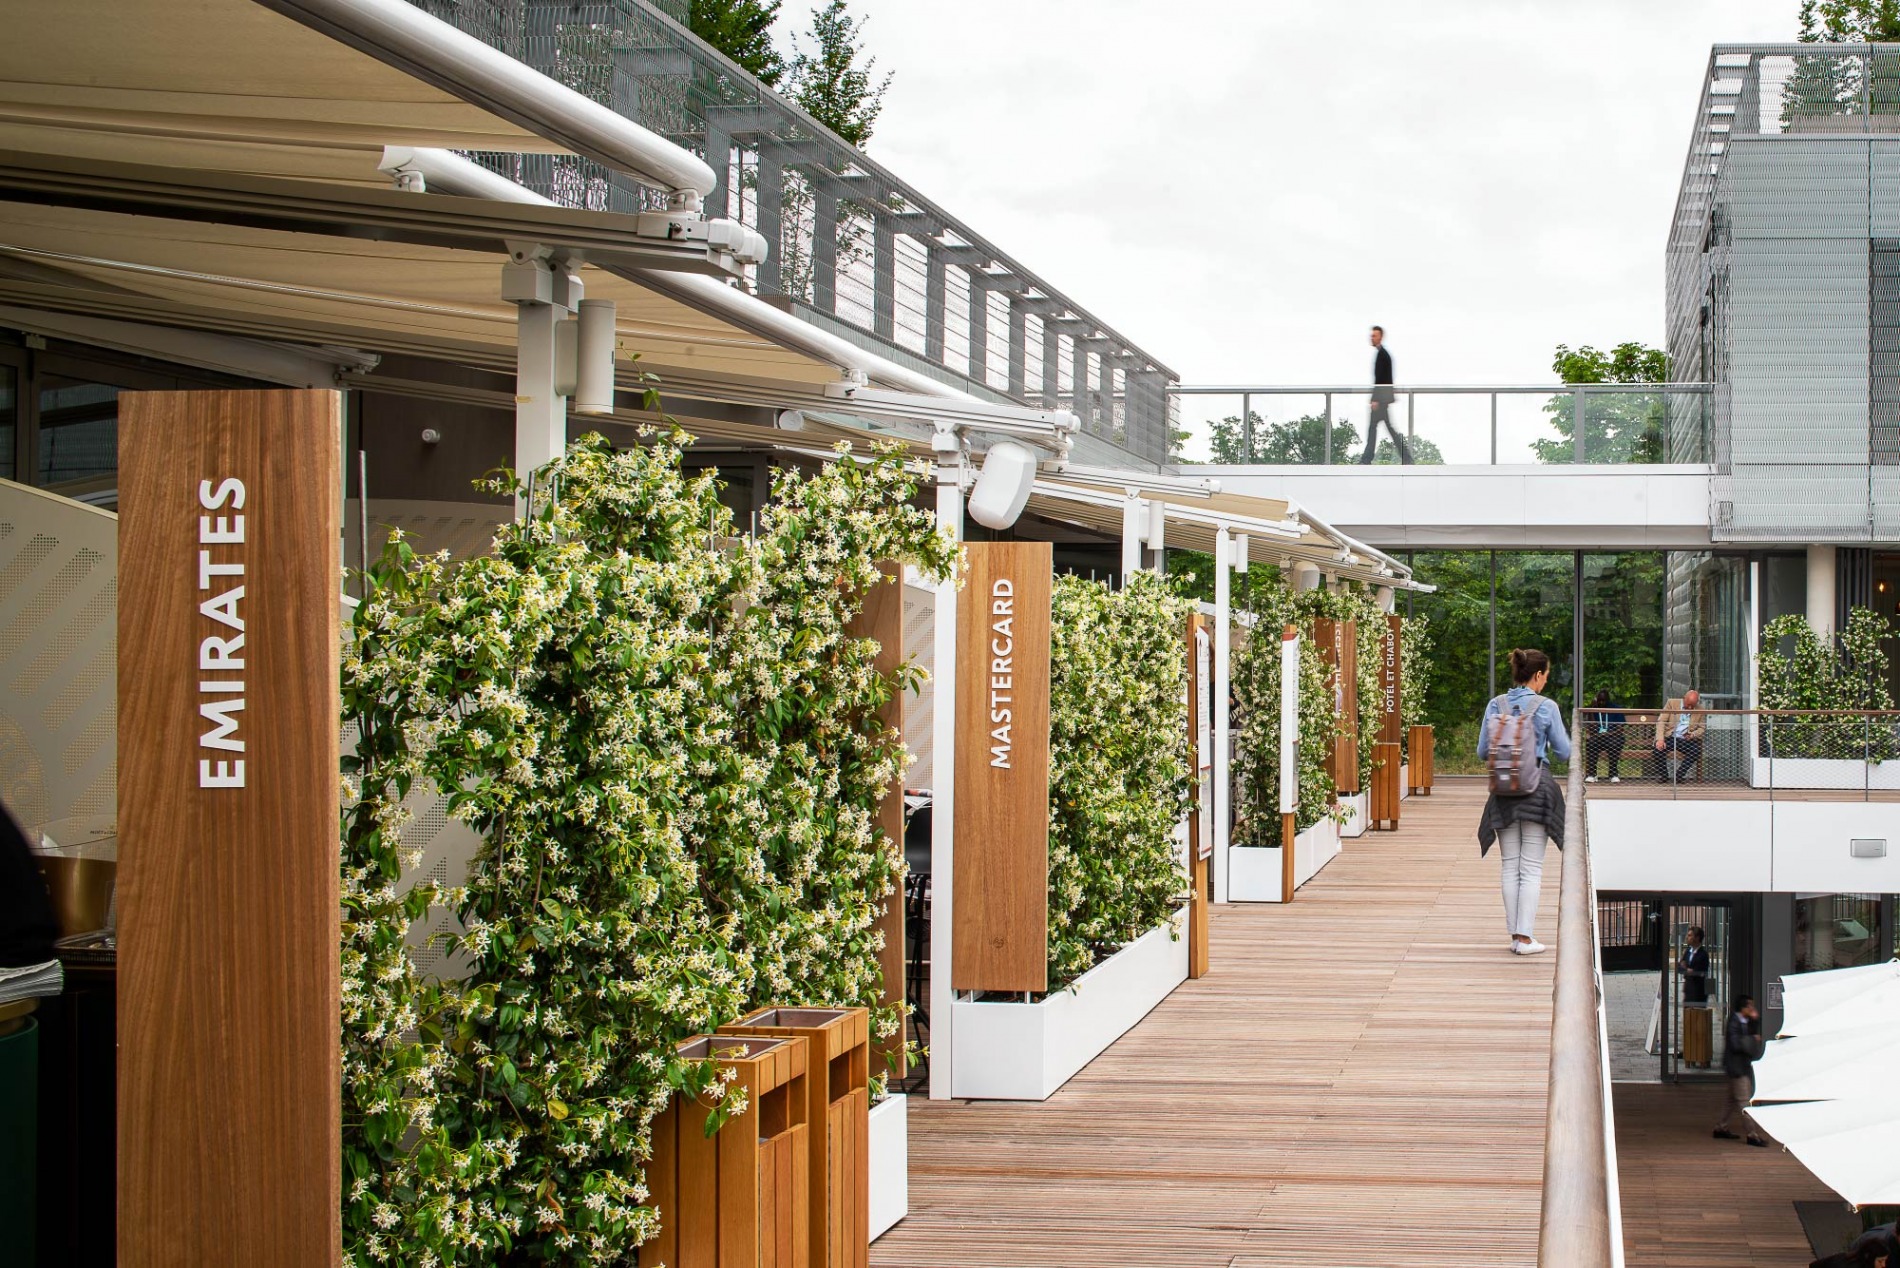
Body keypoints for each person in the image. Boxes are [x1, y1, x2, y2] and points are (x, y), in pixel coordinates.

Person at [1476, 648, 1571, 955]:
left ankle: (1515, 936)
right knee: (1530, 868)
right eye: (1546, 675)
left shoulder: (1495, 705)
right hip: (1537, 788)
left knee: (1509, 866)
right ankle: (1524, 938)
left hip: (1503, 790)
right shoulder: (1547, 707)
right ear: (1538, 675)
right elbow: (1564, 752)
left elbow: (1482, 752)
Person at [1713, 993, 1768, 1147]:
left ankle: (1721, 1127)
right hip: (1737, 1068)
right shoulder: (1734, 1022)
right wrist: (1751, 1039)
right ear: (1743, 1007)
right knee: (1744, 1101)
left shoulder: (1746, 1021)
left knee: (1731, 1100)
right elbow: (1737, 1044)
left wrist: (1755, 1021)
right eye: (1749, 1005)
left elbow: (1753, 1034)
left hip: (1741, 1066)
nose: (1752, 1008)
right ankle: (1752, 1134)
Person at [1359, 325, 1413, 465]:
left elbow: (1382, 380)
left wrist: (1376, 399)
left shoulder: (1383, 355)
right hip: (1383, 399)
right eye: (1372, 335)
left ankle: (1367, 458)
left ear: (1380, 337)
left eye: (1374, 335)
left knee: (1375, 428)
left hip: (1380, 400)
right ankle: (1406, 457)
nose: (1372, 338)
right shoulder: (1382, 354)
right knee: (1387, 428)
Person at [1649, 689, 1706, 781]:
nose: (1690, 708)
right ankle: (1664, 776)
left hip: (1686, 739)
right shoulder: (1672, 703)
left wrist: (1692, 734)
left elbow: (1702, 728)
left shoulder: (1700, 709)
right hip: (1670, 736)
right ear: (1684, 698)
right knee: (1657, 749)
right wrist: (1660, 739)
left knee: (1696, 750)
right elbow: (1661, 721)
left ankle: (1679, 776)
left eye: (1693, 705)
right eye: (1688, 704)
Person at [1677, 925, 1712, 1067]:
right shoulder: (1687, 952)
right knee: (1688, 1022)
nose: (1688, 937)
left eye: (1690, 935)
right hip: (1688, 991)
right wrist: (1686, 969)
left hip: (1698, 993)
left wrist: (1689, 970)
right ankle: (1688, 1051)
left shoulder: (1703, 954)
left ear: (1697, 938)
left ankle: (1699, 1054)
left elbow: (1701, 971)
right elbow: (1680, 968)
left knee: (1698, 1024)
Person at [1583, 687, 1626, 784]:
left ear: (1608, 700)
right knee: (1591, 743)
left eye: (1603, 700)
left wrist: (1608, 734)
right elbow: (1591, 727)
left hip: (1613, 737)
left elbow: (1620, 729)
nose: (1601, 703)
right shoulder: (1595, 709)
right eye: (1599, 700)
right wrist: (1592, 709)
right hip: (1598, 738)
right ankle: (1592, 774)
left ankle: (1613, 774)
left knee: (1614, 744)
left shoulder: (1615, 709)